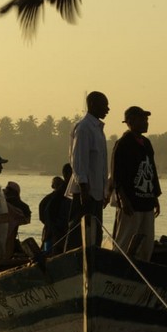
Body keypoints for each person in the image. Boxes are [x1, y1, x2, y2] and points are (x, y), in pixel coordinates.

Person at [110, 105, 161, 261]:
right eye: (142, 119)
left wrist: (155, 197)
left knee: (146, 244)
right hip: (131, 202)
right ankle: (116, 268)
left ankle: (141, 273)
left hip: (146, 200)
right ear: (131, 121)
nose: (146, 122)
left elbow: (152, 170)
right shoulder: (123, 143)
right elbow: (116, 174)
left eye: (146, 119)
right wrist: (123, 199)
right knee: (124, 240)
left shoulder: (146, 143)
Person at [66, 91, 110, 248]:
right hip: (86, 191)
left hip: (96, 192)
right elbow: (79, 161)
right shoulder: (84, 128)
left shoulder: (98, 129)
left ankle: (92, 263)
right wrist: (84, 189)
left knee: (94, 233)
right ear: (92, 105)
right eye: (104, 105)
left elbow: (100, 165)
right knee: (78, 233)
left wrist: (104, 191)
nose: (108, 109)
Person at [39, 175, 71, 253]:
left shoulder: (46, 200)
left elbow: (42, 216)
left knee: (49, 252)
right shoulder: (65, 200)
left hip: (50, 231)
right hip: (55, 231)